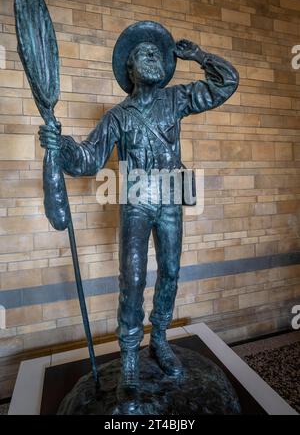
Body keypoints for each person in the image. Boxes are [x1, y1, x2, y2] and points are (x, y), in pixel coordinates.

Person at [39, 21, 239, 408]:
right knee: (132, 278)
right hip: (135, 199)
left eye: (156, 53)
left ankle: (160, 337)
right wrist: (60, 143)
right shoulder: (117, 116)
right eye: (142, 53)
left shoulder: (176, 99)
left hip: (170, 197)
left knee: (171, 271)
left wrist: (198, 57)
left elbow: (226, 84)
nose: (152, 56)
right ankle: (130, 356)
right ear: (129, 70)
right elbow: (87, 159)